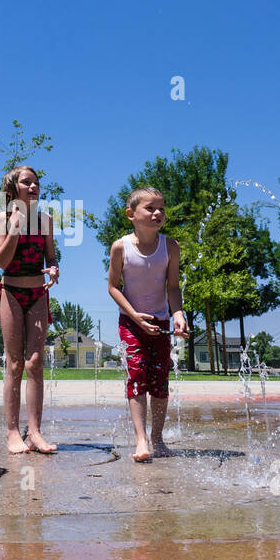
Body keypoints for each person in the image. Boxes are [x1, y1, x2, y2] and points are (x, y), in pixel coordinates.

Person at [107, 187, 189, 462]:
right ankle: (141, 439)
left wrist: (178, 314)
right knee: (137, 376)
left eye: (161, 208)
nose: (158, 213)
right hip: (131, 322)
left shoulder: (171, 247)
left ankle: (158, 438)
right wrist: (134, 315)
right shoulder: (121, 247)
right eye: (150, 208)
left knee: (160, 380)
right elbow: (113, 288)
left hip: (161, 321)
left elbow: (173, 287)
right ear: (131, 215)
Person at [0, 166, 60, 455]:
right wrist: (15, 228)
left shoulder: (46, 221)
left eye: (36, 183)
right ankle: (12, 432)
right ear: (12, 189)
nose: (34, 187)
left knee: (35, 363)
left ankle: (34, 432)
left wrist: (54, 270)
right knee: (15, 363)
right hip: (10, 291)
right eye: (27, 182)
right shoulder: (0, 219)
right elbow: (2, 261)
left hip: (37, 293)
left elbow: (52, 257)